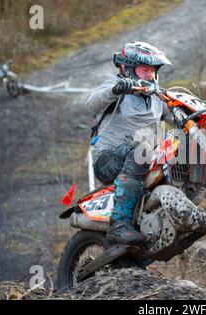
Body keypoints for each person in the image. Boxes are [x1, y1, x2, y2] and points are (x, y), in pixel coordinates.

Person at [86, 41, 175, 244]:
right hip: (108, 161)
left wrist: (197, 115)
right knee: (141, 149)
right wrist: (117, 90)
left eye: (153, 70)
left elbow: (177, 118)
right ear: (127, 69)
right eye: (145, 70)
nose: (151, 75)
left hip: (141, 162)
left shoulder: (156, 97)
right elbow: (91, 103)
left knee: (178, 149)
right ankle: (120, 224)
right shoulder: (115, 87)